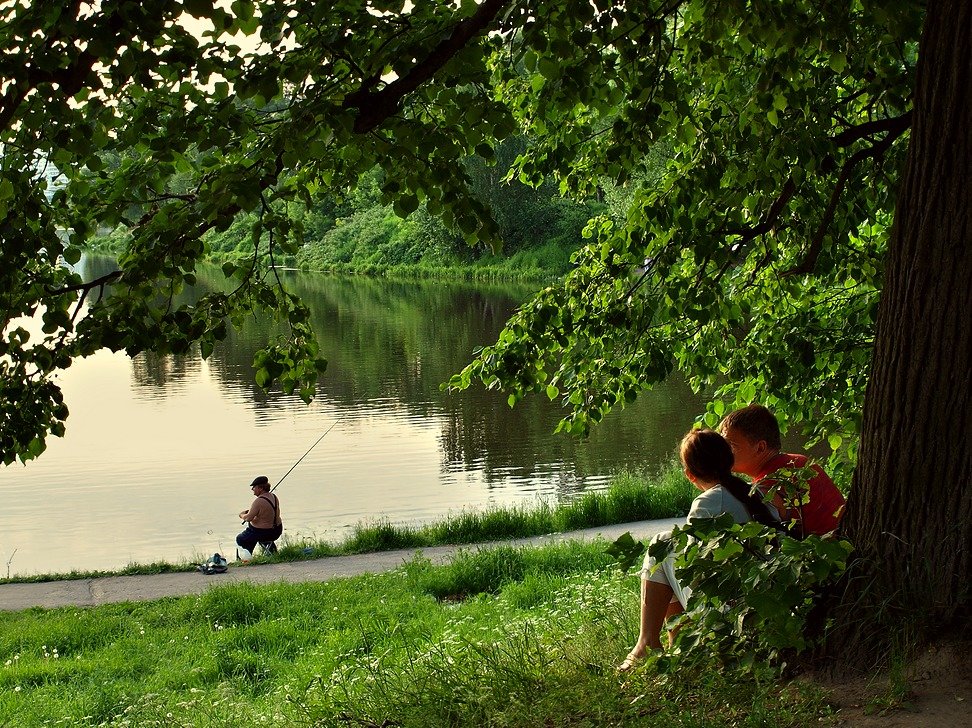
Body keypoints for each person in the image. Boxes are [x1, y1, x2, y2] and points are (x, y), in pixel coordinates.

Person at [620, 428, 781, 670]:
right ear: (729, 460)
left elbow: (694, 568)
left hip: (731, 614)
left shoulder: (707, 503)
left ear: (689, 474)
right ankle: (677, 645)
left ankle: (648, 644)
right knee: (667, 541)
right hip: (765, 602)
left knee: (660, 547)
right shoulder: (755, 493)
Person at [718, 404, 845, 537]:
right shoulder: (799, 461)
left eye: (730, 445)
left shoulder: (770, 486)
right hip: (842, 544)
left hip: (825, 553)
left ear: (760, 448)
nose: (722, 451)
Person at [236, 475, 283, 562]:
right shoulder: (274, 496)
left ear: (260, 488)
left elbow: (248, 518)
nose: (252, 489)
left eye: (254, 487)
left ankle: (244, 560)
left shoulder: (258, 501)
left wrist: (241, 514)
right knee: (250, 535)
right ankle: (273, 553)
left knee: (240, 538)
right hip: (276, 530)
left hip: (264, 533)